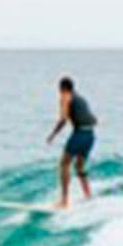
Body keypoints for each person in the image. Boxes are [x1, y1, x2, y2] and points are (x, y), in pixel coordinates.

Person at [44, 76, 98, 209]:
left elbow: (63, 120)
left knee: (64, 164)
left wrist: (52, 135)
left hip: (79, 134)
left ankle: (64, 202)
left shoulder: (65, 97)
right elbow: (94, 120)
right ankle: (88, 196)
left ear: (62, 88)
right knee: (79, 167)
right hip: (90, 135)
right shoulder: (81, 98)